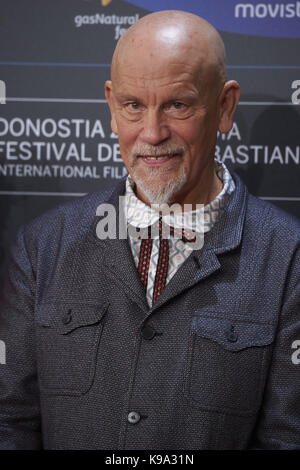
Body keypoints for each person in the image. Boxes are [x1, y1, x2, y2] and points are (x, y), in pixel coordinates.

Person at [0, 10, 299, 450]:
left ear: (224, 106)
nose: (152, 133)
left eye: (177, 104)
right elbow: (9, 423)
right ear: (111, 107)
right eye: (133, 105)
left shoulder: (288, 258)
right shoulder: (41, 248)